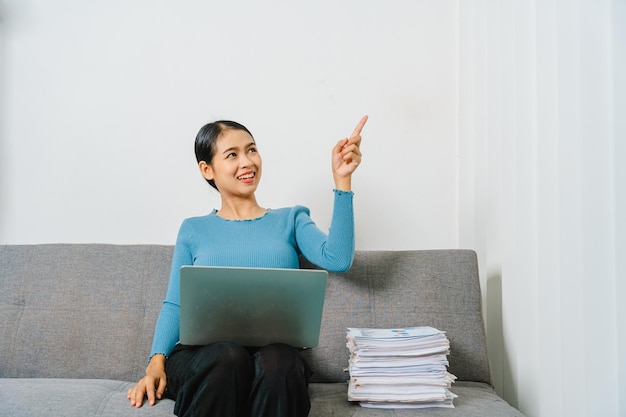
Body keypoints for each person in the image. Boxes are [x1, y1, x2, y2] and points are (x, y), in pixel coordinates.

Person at [127, 115, 368, 417]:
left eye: (251, 150)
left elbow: (338, 259)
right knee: (228, 356)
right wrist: (156, 361)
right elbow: (176, 303)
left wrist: (342, 180)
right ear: (207, 169)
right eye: (232, 155)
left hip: (273, 355)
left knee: (280, 361)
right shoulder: (193, 229)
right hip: (204, 359)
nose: (247, 162)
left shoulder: (290, 220)